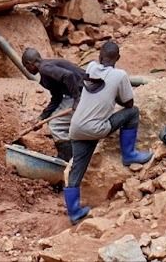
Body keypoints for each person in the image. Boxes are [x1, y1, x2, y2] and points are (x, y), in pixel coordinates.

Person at [63, 41, 151, 224]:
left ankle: (74, 212)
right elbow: (128, 104)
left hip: (77, 127)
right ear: (118, 58)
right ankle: (129, 154)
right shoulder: (120, 75)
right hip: (97, 128)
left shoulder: (91, 66)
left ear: (100, 56)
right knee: (132, 114)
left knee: (77, 168)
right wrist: (115, 95)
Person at [21, 48, 85, 163]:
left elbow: (68, 75)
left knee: (56, 125)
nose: (28, 70)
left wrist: (77, 98)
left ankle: (66, 158)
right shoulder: (48, 69)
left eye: (26, 67)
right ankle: (71, 154)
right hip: (79, 92)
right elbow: (57, 98)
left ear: (29, 64)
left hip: (85, 92)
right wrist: (41, 117)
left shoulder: (45, 68)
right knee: (57, 121)